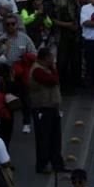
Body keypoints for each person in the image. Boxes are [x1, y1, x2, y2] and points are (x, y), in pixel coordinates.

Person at [28, 46, 65, 174]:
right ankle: (42, 164)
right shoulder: (38, 70)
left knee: (55, 137)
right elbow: (53, 80)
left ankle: (57, 163)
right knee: (44, 138)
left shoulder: (46, 68)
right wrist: (53, 68)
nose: (53, 60)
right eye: (51, 57)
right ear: (45, 58)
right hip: (42, 108)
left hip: (52, 107)